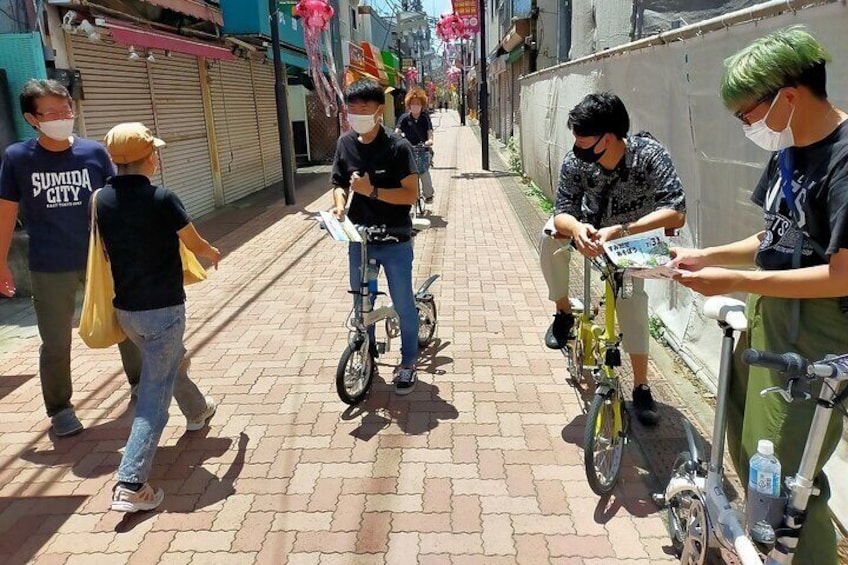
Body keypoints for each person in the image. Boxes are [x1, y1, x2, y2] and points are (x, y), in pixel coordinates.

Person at [671, 27, 847, 562]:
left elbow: (842, 274)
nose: (746, 126)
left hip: (817, 330)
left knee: (791, 477)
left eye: (747, 114)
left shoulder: (843, 160)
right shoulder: (791, 148)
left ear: (788, 98)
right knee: (755, 455)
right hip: (768, 313)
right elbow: (773, 237)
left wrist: (739, 281)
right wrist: (709, 256)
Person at [0, 79, 143, 437]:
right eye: (52, 112)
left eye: (66, 109)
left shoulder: (94, 153)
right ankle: (60, 408)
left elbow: (118, 201)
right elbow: (6, 211)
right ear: (33, 119)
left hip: (102, 259)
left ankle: (142, 383)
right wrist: (0, 261)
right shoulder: (17, 158)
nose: (63, 117)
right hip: (49, 265)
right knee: (56, 341)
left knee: (126, 324)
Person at [543, 92, 686, 426]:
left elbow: (676, 212)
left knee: (633, 304)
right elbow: (562, 209)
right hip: (589, 231)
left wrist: (622, 230)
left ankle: (640, 386)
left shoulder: (649, 155)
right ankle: (563, 313)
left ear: (608, 138)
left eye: (583, 139)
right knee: (549, 236)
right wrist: (577, 228)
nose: (576, 145)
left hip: (636, 239)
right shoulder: (577, 160)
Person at [99, 122, 220, 512]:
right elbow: (194, 241)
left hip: (127, 311)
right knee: (153, 395)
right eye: (155, 151)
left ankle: (198, 410)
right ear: (148, 157)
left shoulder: (100, 199)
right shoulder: (163, 197)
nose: (158, 156)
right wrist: (212, 254)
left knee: (168, 363)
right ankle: (131, 483)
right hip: (163, 308)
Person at [330, 79, 420, 395]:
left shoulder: (398, 147)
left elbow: (411, 194)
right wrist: (340, 206)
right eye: (351, 110)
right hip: (360, 239)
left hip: (395, 239)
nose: (356, 115)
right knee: (361, 303)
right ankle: (365, 353)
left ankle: (408, 361)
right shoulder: (345, 144)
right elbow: (339, 183)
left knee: (402, 302)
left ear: (379, 111)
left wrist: (373, 191)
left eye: (363, 109)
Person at [396, 87, 435, 203]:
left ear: (422, 104)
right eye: (413, 103)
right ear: (409, 104)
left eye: (418, 103)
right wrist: (397, 139)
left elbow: (430, 134)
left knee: (423, 172)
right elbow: (397, 131)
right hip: (408, 149)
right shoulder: (404, 118)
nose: (415, 106)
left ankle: (428, 195)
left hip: (422, 149)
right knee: (404, 173)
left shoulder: (425, 117)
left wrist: (429, 142)